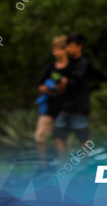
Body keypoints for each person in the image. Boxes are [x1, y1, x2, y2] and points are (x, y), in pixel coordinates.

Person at [53, 33, 91, 158]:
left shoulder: (83, 63)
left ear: (79, 47)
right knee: (58, 136)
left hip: (79, 107)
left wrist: (64, 81)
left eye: (71, 46)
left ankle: (85, 167)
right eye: (67, 47)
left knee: (82, 138)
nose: (68, 49)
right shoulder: (65, 64)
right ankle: (64, 168)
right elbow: (55, 76)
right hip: (65, 106)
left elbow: (75, 81)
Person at [35, 36, 69, 167]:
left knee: (62, 139)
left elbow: (69, 87)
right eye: (54, 49)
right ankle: (43, 164)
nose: (55, 53)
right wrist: (55, 90)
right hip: (49, 108)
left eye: (58, 49)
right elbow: (41, 86)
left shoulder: (71, 68)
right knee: (40, 136)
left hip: (66, 108)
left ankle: (65, 165)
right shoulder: (50, 69)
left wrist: (59, 88)